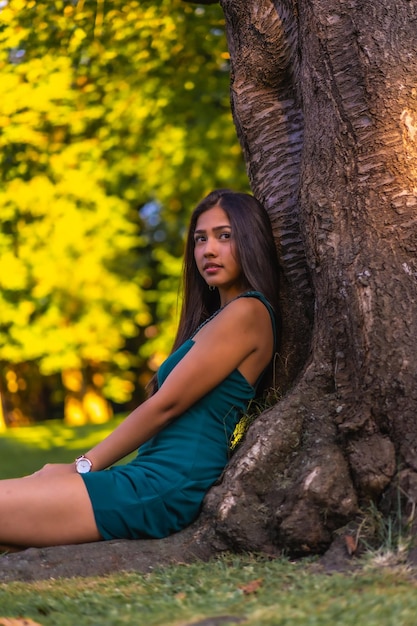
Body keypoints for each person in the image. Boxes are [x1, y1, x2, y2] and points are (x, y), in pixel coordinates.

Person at [0, 189, 281, 549]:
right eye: (200, 239)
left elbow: (166, 406)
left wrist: (81, 466)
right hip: (146, 477)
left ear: (252, 241)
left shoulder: (248, 313)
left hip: (162, 486)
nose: (208, 249)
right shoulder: (219, 319)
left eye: (224, 236)